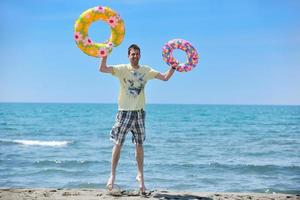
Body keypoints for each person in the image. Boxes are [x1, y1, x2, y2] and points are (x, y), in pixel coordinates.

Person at [99, 44, 176, 194]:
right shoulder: (122, 69)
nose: (135, 56)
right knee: (118, 144)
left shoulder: (146, 70)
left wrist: (173, 66)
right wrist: (105, 54)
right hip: (124, 113)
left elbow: (165, 78)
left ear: (140, 55)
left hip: (139, 113)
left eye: (137, 54)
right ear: (128, 55)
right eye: (132, 54)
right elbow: (102, 68)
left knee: (139, 145)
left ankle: (140, 176)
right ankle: (112, 176)